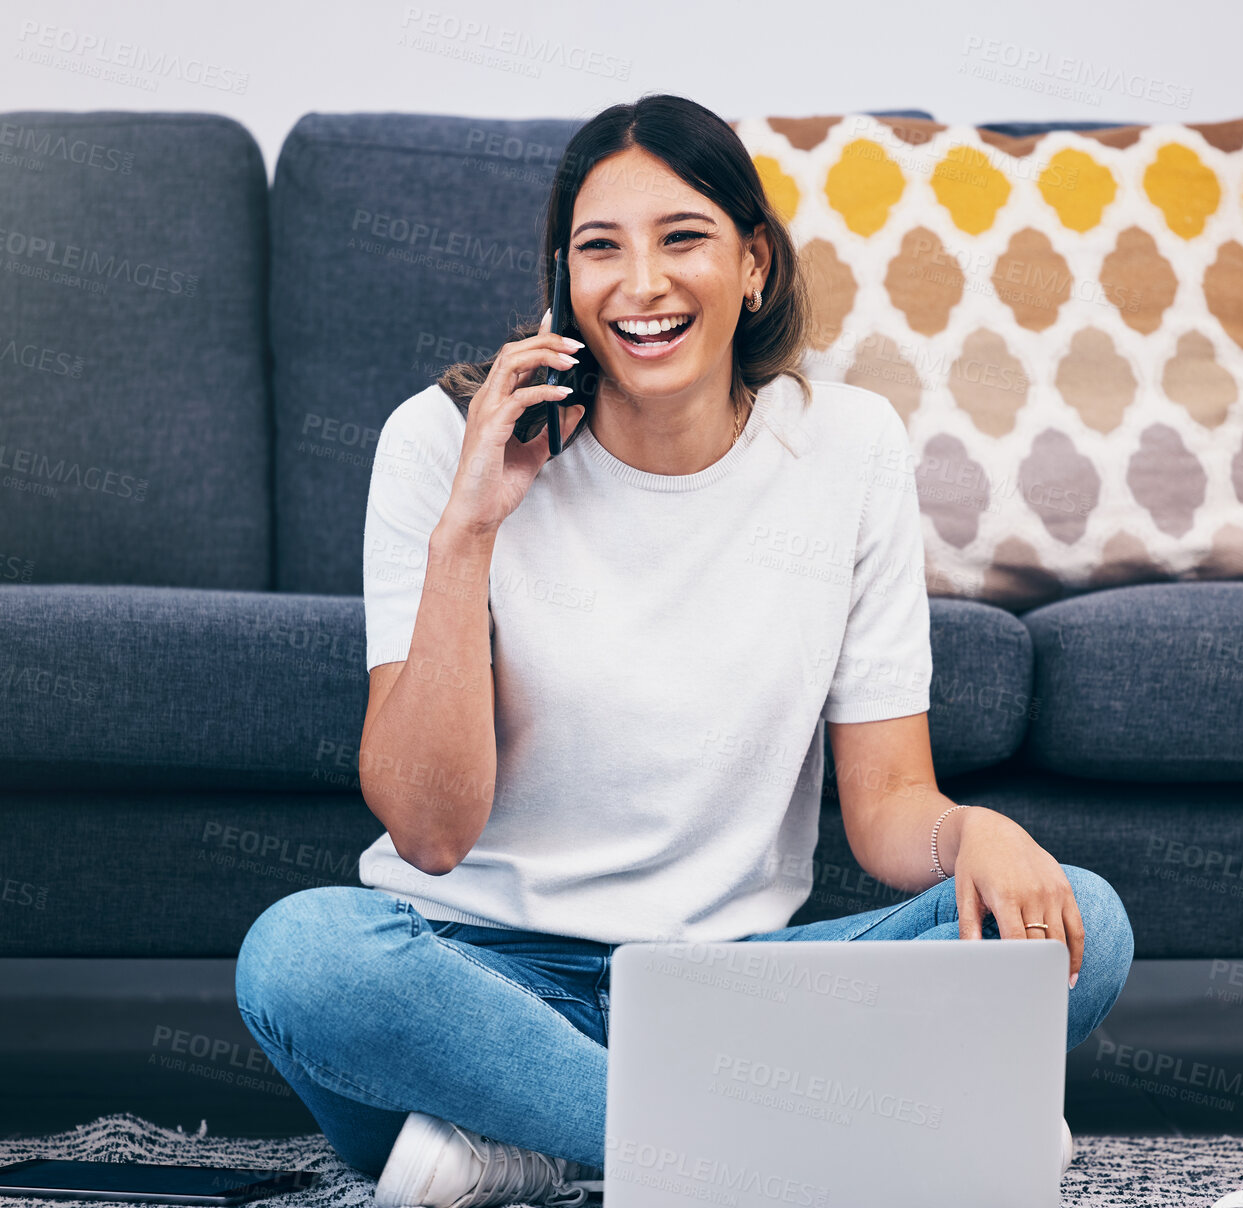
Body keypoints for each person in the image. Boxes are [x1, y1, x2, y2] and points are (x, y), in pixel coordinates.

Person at [235, 92, 1133, 1208]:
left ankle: (548, 1141)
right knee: (303, 955)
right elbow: (428, 828)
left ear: (752, 261)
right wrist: (468, 529)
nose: (641, 283)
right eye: (598, 248)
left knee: (1078, 920)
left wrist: (973, 834)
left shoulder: (846, 446)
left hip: (733, 993)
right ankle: (782, 1148)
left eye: (683, 238)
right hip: (475, 983)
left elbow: (890, 799)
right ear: (561, 280)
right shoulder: (438, 442)